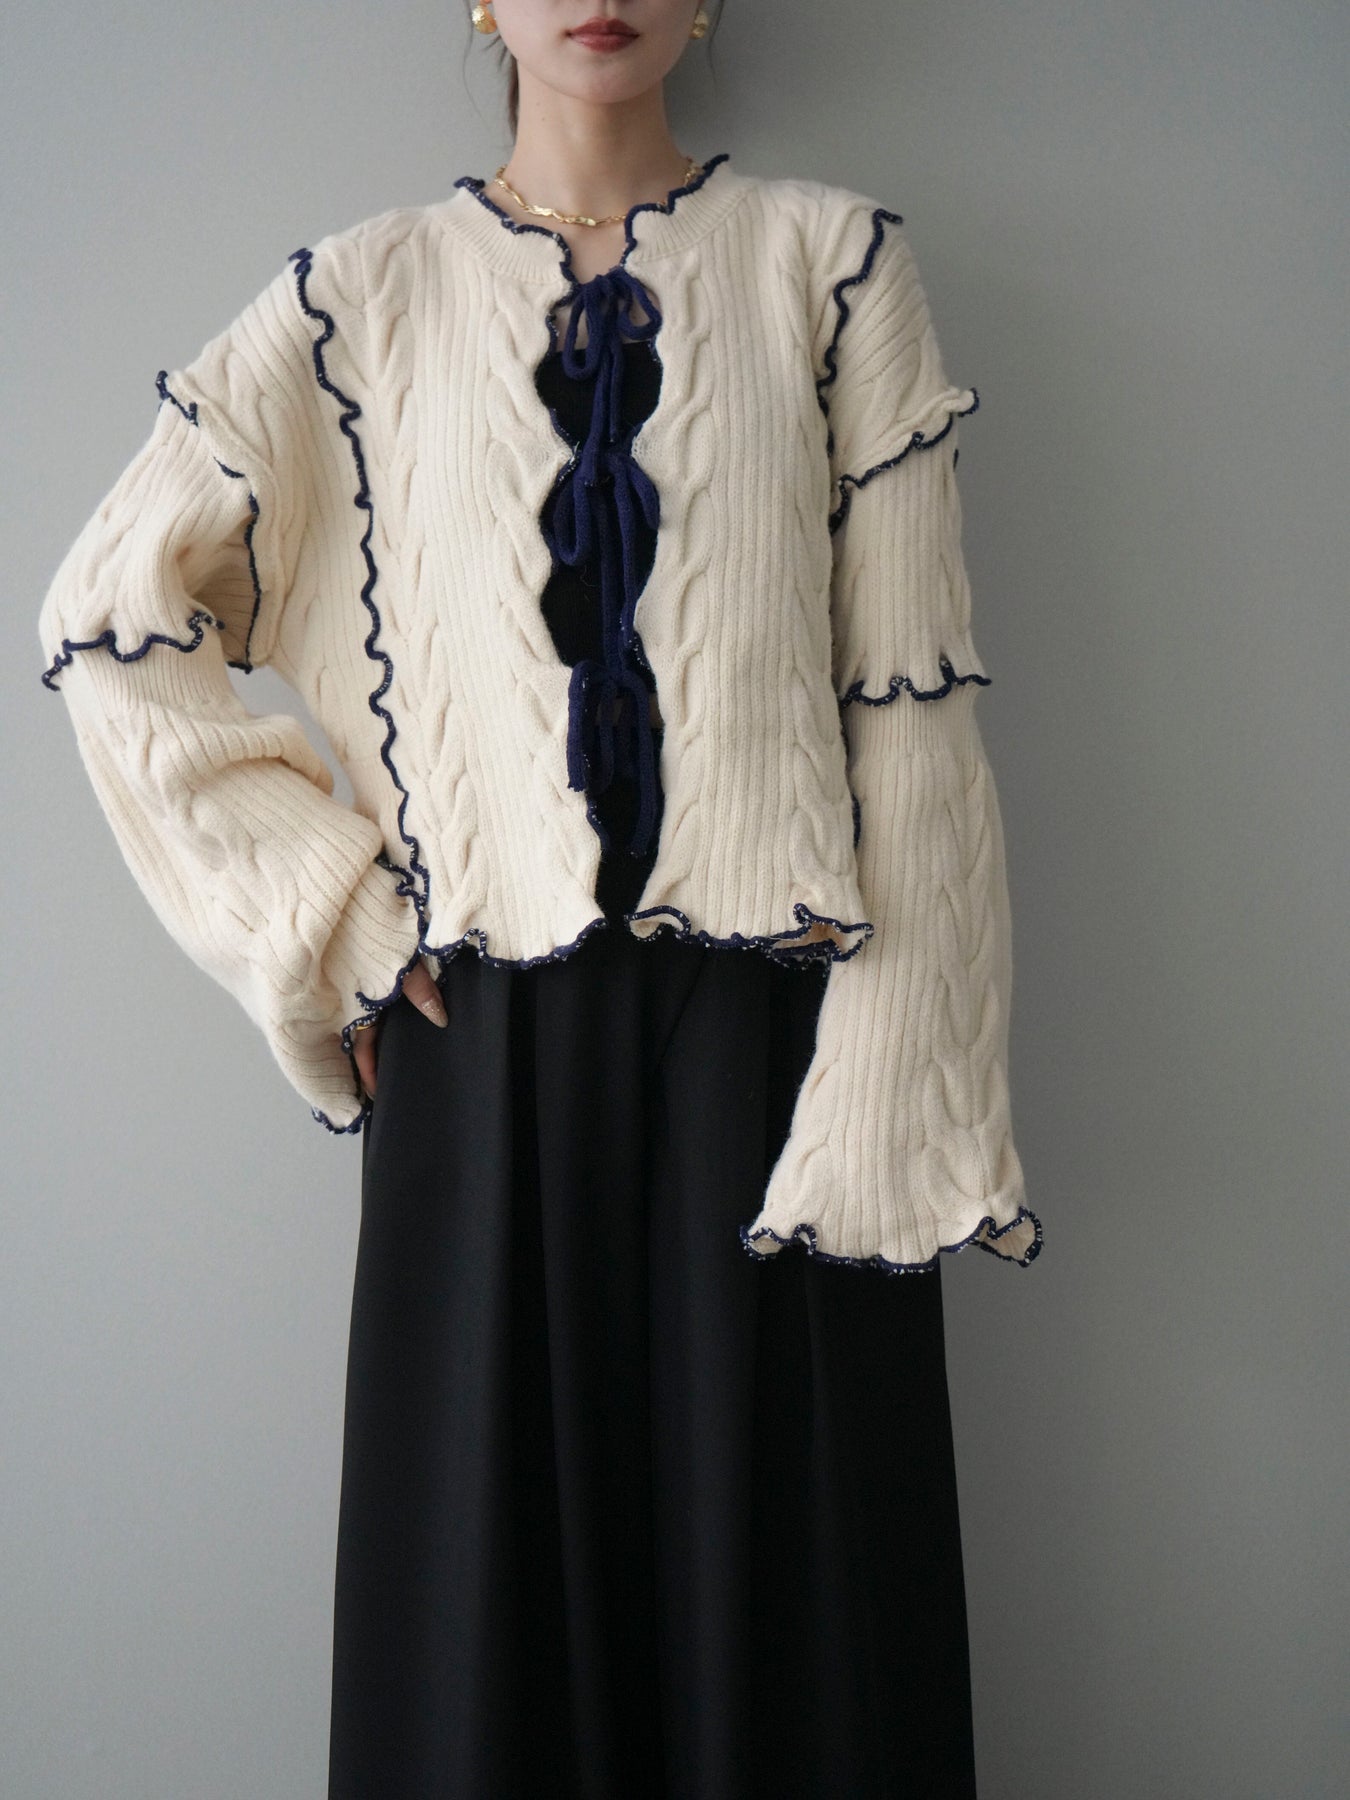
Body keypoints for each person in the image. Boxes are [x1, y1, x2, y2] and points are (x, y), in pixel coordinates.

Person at [37, 3, 1044, 1792]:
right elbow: (111, 620)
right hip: (475, 1048)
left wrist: (892, 1080)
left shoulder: (829, 265)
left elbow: (911, 712)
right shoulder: (360, 298)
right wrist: (337, 917)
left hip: (783, 1047)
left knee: (802, 1630)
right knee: (480, 1632)